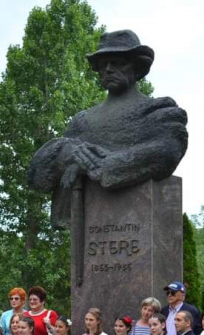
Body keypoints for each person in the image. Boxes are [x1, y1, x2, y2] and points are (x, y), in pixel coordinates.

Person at [28, 29, 188, 229]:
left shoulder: (158, 112)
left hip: (138, 224)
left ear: (137, 67)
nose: (108, 69)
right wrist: (66, 155)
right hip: (90, 231)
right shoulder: (82, 122)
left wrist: (99, 166)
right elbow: (38, 177)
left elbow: (166, 152)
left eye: (118, 63)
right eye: (103, 65)